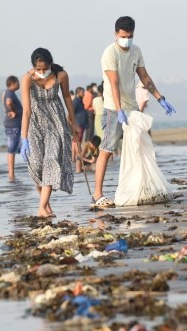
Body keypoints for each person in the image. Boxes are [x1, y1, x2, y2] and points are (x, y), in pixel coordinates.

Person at [91, 16, 176, 208]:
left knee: (140, 145)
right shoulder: (109, 53)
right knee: (107, 148)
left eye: (130, 36)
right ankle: (97, 195)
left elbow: (144, 76)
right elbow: (113, 82)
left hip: (132, 107)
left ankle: (142, 187)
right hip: (114, 109)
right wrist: (119, 111)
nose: (126, 39)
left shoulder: (136, 51)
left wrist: (160, 98)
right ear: (116, 34)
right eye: (123, 36)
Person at [20, 47, 79, 218]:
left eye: (44, 69)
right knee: (37, 165)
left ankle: (41, 208)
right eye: (38, 69)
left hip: (56, 123)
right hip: (35, 125)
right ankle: (46, 206)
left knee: (51, 162)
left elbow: (67, 97)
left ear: (50, 65)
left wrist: (73, 122)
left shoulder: (61, 76)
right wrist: (24, 138)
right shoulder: (27, 79)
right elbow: (26, 111)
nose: (41, 72)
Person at [2, 76, 23, 181]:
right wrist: (13, 111)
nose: (19, 84)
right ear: (13, 83)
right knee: (12, 149)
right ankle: (11, 174)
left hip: (13, 124)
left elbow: (3, 101)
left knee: (14, 148)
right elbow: (8, 102)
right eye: (18, 82)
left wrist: (7, 111)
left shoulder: (6, 92)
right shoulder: (10, 92)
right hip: (13, 125)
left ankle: (12, 173)